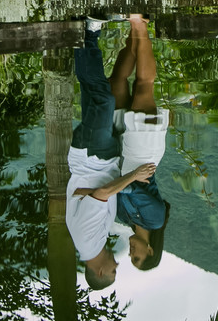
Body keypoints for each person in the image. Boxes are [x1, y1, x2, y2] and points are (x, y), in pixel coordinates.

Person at [66, 23, 156, 289]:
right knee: (93, 93)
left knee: (103, 98)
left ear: (101, 272)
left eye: (113, 272)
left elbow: (100, 194)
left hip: (92, 156)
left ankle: (89, 33)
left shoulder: (87, 241)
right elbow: (92, 195)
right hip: (96, 157)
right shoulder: (94, 242)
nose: (117, 265)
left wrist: (133, 176)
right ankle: (82, 36)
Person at [108, 13, 171, 269]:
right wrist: (119, 184)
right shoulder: (156, 220)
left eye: (130, 257)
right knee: (144, 85)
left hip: (122, 151)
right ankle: (138, 25)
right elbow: (128, 188)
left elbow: (121, 186)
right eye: (137, 257)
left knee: (116, 83)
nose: (131, 252)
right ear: (151, 250)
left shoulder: (124, 218)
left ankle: (134, 35)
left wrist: (120, 183)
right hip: (144, 152)